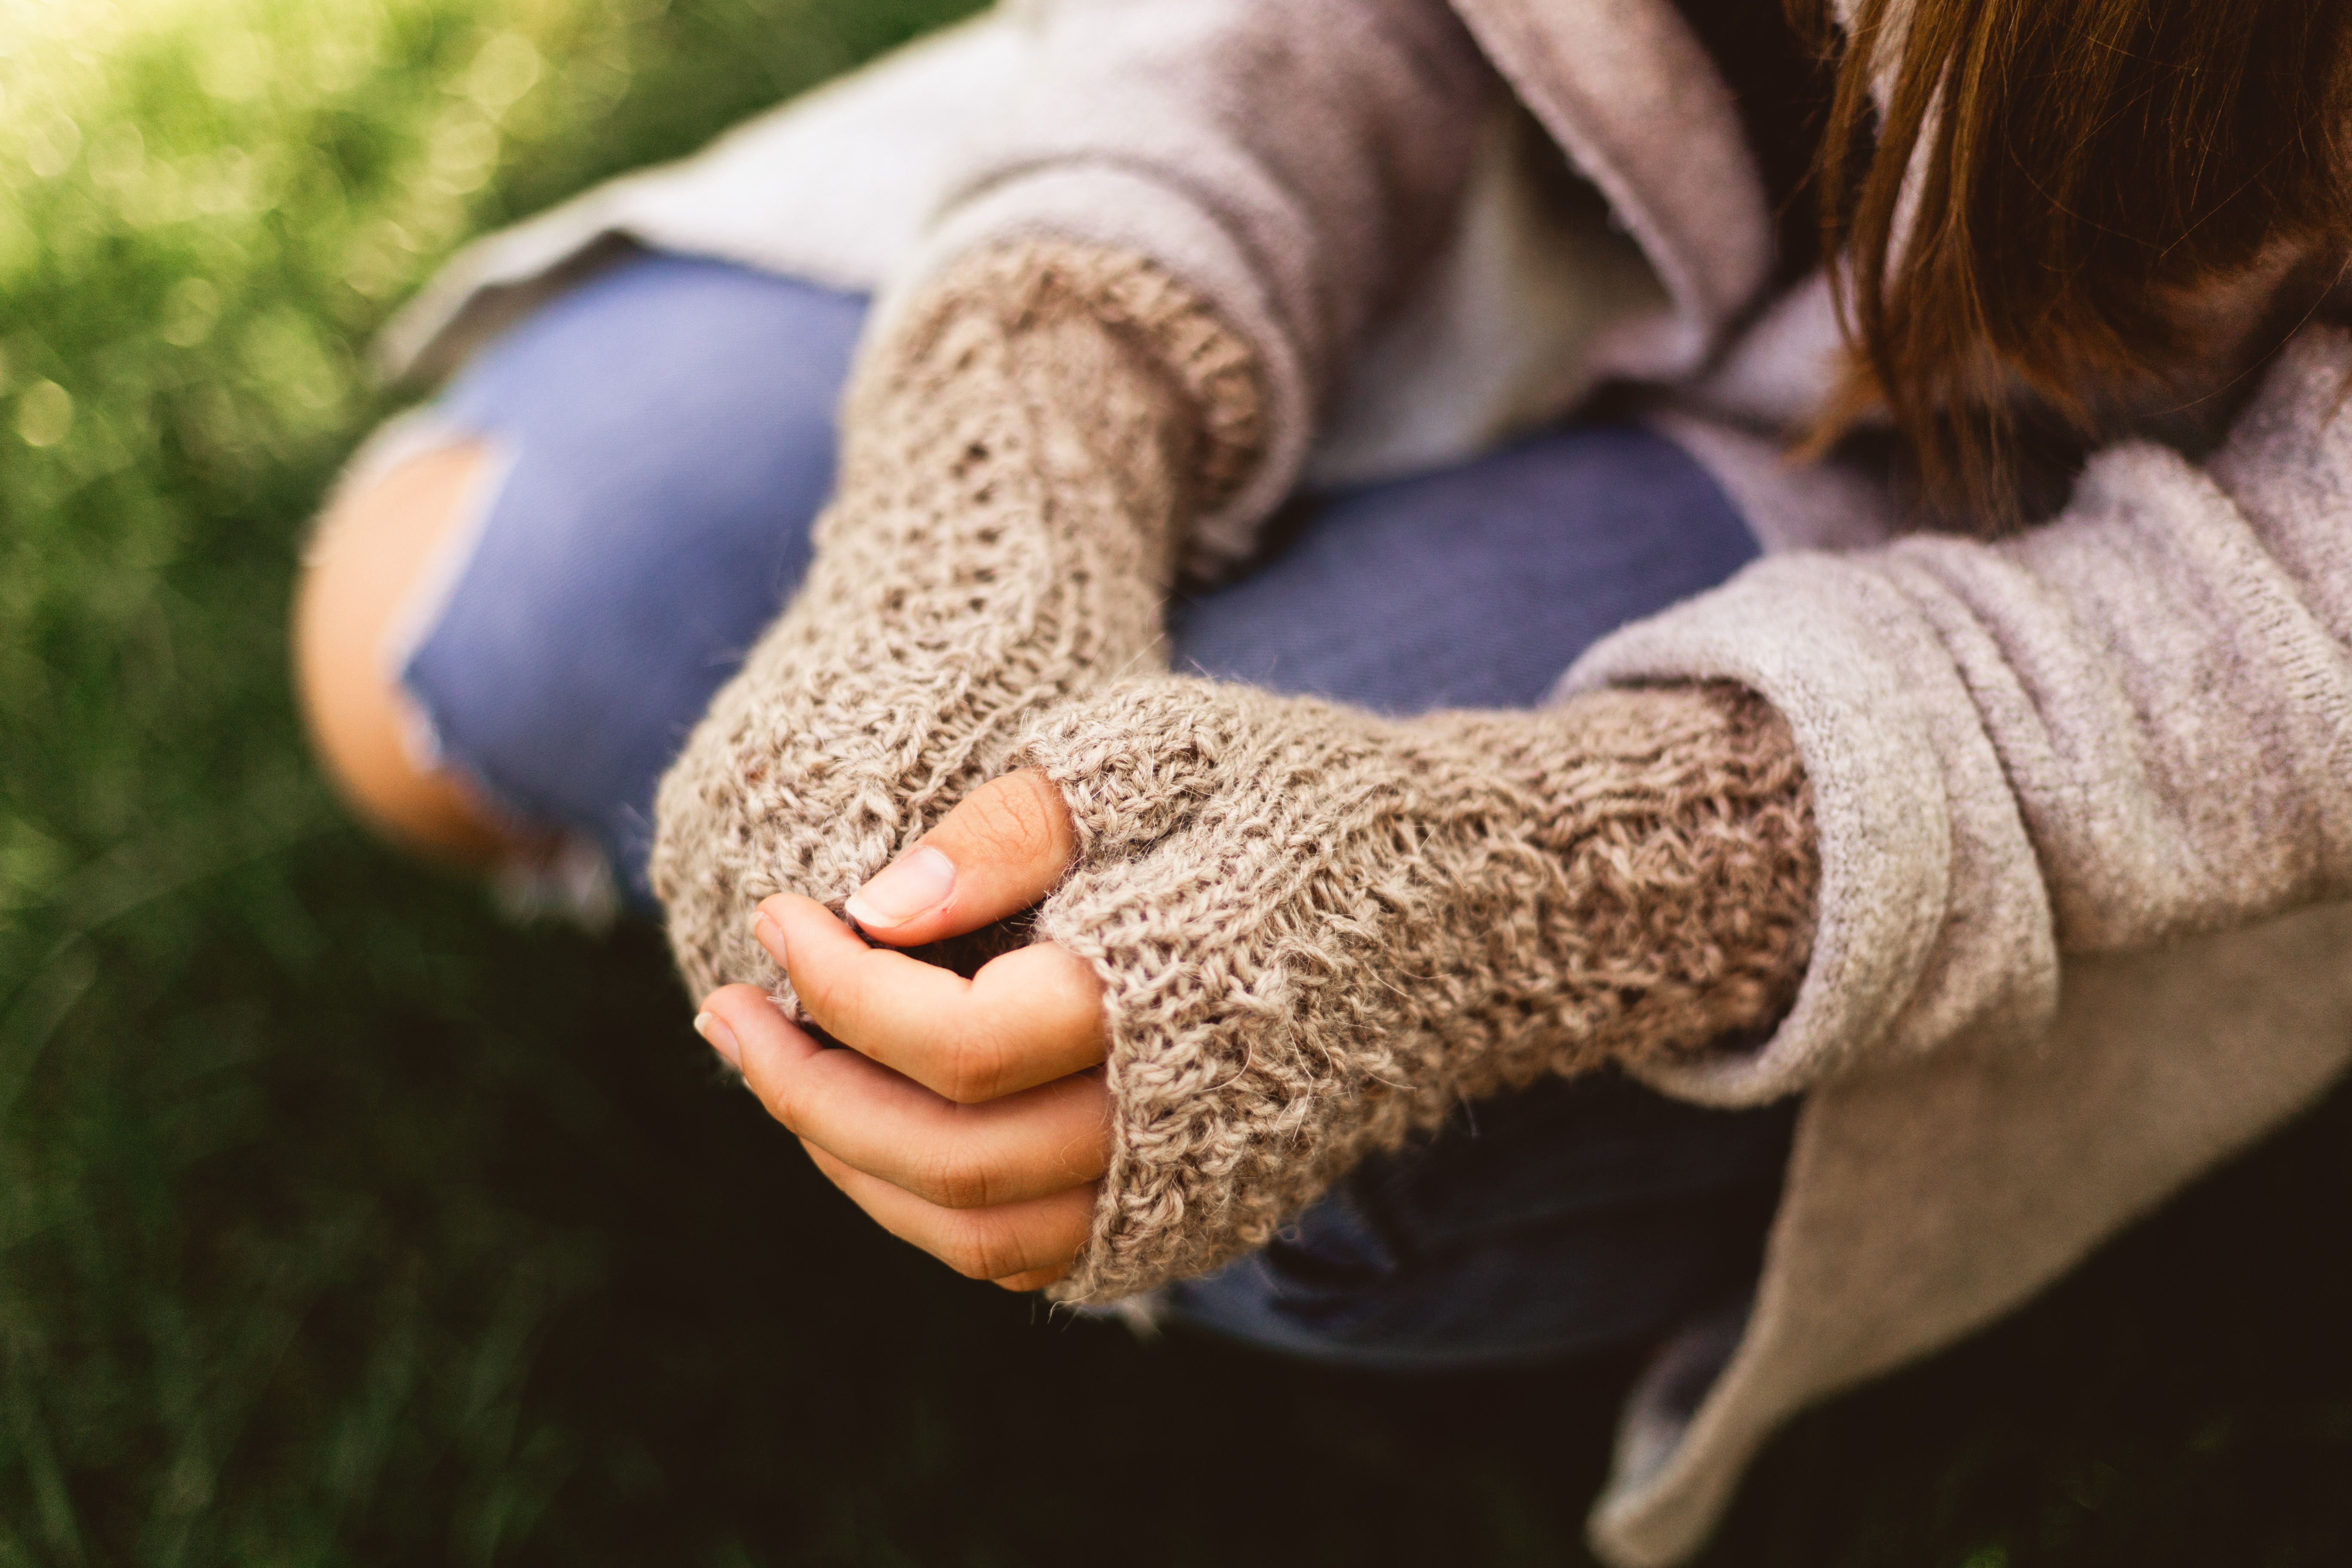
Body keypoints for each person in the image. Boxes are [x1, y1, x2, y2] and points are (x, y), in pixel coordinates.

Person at [293, 0, 2352, 1561]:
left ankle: (1567, 1215)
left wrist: (1519, 895)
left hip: (2034, 574)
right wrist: (998, 481)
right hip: (1470, 188)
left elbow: (2294, 623)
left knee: (1226, 1095)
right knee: (447, 622)